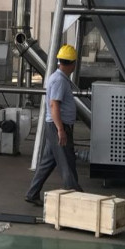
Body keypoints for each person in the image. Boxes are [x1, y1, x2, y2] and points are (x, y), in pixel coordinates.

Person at [25, 44, 83, 207]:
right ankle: (76, 197)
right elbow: (54, 105)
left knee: (47, 163)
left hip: (55, 126)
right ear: (73, 63)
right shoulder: (59, 80)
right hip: (58, 126)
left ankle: (32, 193)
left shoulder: (59, 78)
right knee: (67, 163)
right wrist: (60, 130)